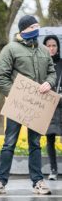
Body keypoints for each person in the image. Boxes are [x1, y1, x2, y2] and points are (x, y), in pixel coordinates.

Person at [0, 15, 56, 195]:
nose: (37, 28)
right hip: (16, 105)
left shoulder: (43, 50)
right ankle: (0, 181)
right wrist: (15, 95)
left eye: (38, 25)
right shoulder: (10, 49)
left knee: (35, 143)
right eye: (33, 26)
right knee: (9, 143)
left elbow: (52, 72)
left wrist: (49, 83)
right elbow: (0, 76)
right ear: (23, 29)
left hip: (37, 106)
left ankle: (38, 182)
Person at [43, 35, 62, 181]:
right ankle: (53, 170)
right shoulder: (41, 64)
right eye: (48, 45)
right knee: (50, 139)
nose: (51, 48)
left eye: (54, 45)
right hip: (48, 107)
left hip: (61, 106)